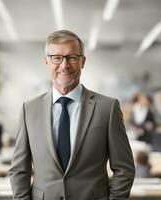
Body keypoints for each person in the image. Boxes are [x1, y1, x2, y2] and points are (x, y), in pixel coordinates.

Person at [9, 30, 135, 200]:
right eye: (57, 57)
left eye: (72, 57)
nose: (64, 65)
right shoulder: (29, 110)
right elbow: (19, 170)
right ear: (46, 61)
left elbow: (124, 168)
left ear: (82, 61)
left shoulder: (108, 108)